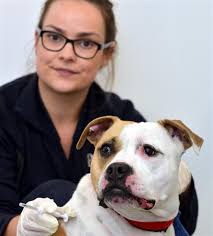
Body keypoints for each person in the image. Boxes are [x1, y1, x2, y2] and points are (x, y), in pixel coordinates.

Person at [0, 0, 198, 235]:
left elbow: (184, 217)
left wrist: (179, 175)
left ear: (107, 54)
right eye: (54, 37)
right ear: (37, 40)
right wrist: (23, 229)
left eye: (85, 42)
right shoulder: (4, 111)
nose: (66, 54)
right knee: (57, 191)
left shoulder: (122, 116)